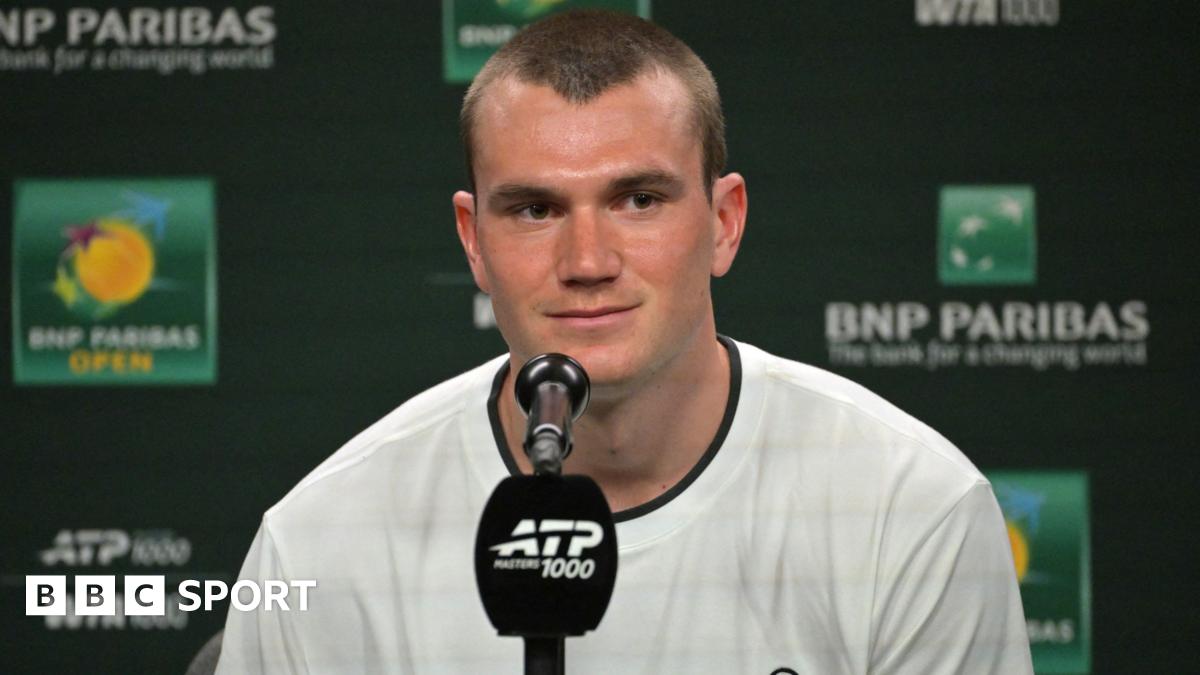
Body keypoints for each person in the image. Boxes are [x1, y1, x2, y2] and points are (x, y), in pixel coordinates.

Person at [217, 10, 1032, 674]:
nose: (587, 263)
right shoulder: (321, 540)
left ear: (724, 222)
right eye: (535, 209)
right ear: (473, 241)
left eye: (639, 200)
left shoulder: (910, 506)